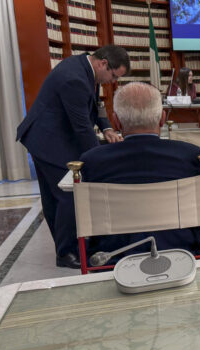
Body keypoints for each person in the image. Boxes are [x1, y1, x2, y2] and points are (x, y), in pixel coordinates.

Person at [16, 45, 128, 269]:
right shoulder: (74, 79)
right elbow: (82, 129)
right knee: (68, 194)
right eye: (114, 76)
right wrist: (100, 158)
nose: (112, 82)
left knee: (53, 196)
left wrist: (106, 128)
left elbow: (94, 105)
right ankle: (66, 252)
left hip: (48, 136)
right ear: (103, 63)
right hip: (48, 140)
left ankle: (66, 244)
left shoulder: (86, 68)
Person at [79, 82, 200, 259]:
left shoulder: (91, 161)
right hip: (183, 249)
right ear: (162, 118)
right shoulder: (190, 155)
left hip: (113, 255)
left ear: (115, 120)